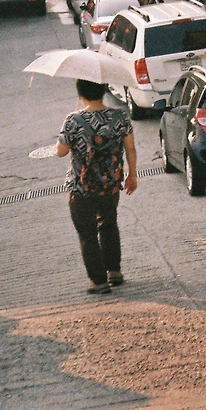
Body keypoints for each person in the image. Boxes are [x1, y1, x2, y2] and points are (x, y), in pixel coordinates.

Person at [55, 79, 137, 294]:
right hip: (110, 185)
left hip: (82, 188)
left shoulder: (73, 120)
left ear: (80, 94)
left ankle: (98, 282)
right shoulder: (120, 116)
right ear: (103, 91)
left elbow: (61, 151)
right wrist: (132, 175)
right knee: (109, 225)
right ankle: (114, 271)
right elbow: (130, 148)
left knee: (87, 233)